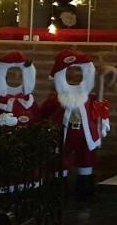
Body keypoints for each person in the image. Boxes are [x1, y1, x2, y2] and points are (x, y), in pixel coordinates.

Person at [41, 49, 112, 198]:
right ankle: (59, 189)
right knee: (60, 158)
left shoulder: (91, 98)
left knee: (87, 159)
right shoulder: (56, 100)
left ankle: (84, 188)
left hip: (86, 136)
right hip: (62, 135)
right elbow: (44, 112)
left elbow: (101, 109)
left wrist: (103, 124)